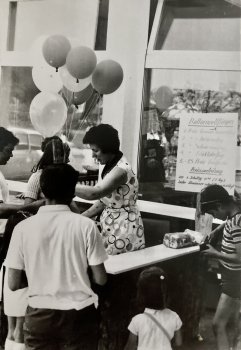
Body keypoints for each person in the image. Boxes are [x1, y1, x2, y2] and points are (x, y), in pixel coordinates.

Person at [5, 163, 108, 350]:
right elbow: (100, 279)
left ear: (42, 191)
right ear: (73, 193)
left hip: (39, 317)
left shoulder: (22, 228)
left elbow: (13, 283)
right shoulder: (86, 226)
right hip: (79, 316)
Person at [76, 124, 145, 255]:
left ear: (107, 148)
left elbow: (95, 193)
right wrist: (81, 217)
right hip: (114, 226)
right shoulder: (111, 167)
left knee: (116, 268)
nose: (93, 155)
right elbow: (106, 200)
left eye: (95, 150)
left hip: (123, 228)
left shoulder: (121, 170)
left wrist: (65, 185)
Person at [200, 184, 241, 350]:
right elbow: (229, 222)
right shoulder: (235, 215)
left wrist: (215, 253)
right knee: (237, 325)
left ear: (219, 206)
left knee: (218, 325)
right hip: (232, 278)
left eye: (214, 213)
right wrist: (217, 230)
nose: (215, 217)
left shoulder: (237, 223)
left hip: (234, 280)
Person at [124, 267, 182, 350]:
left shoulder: (137, 320)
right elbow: (178, 343)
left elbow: (130, 347)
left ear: (142, 295)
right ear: (165, 294)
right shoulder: (174, 316)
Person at [1, 211, 32, 350]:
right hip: (22, 290)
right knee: (20, 332)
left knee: (11, 331)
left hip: (8, 291)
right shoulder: (25, 254)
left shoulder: (6, 254)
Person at [24, 136, 70, 205]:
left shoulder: (63, 176)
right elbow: (26, 208)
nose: (68, 160)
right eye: (65, 157)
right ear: (54, 158)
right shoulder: (37, 177)